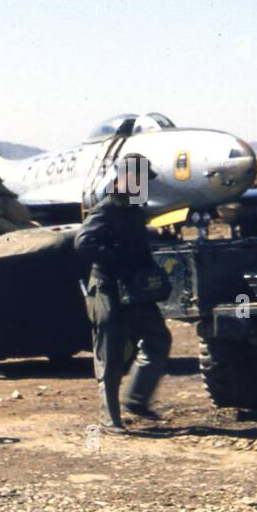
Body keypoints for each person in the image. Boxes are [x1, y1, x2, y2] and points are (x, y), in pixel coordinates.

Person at [73, 154, 172, 432]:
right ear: (126, 178)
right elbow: (84, 243)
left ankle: (137, 400)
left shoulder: (134, 211)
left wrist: (153, 274)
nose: (145, 185)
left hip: (134, 290)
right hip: (108, 289)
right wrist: (118, 263)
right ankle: (109, 419)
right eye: (141, 179)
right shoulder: (106, 209)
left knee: (158, 339)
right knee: (111, 353)